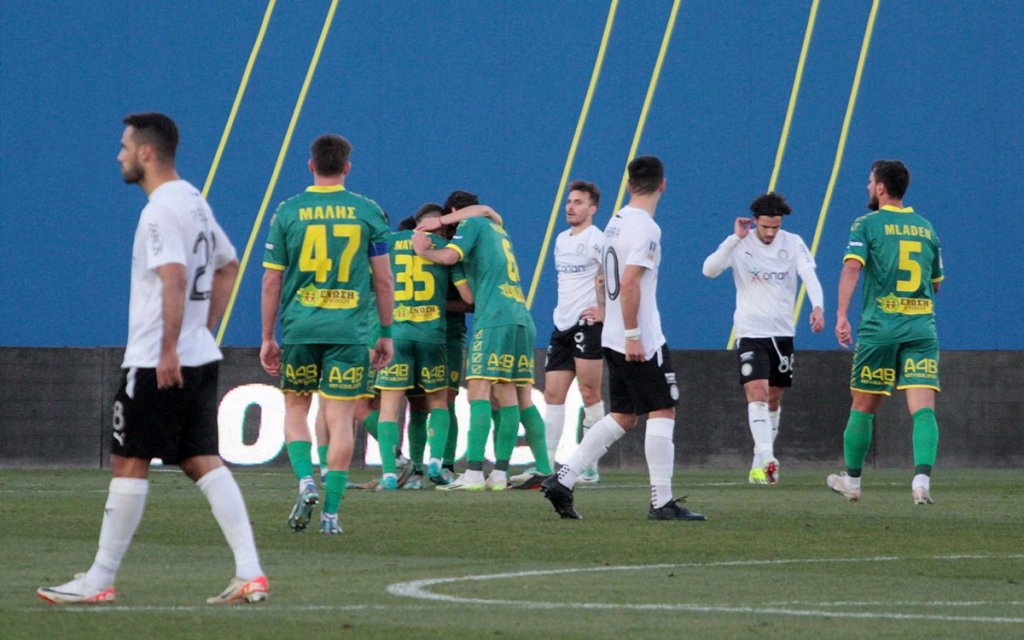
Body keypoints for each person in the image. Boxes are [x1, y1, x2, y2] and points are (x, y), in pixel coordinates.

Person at [38, 112, 267, 605]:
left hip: (156, 360)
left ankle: (99, 579)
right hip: (199, 356)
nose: (119, 155)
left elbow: (174, 277)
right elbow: (229, 266)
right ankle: (250, 572)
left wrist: (168, 348)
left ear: (146, 152)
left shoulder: (160, 210)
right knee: (201, 460)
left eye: (125, 147)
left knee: (129, 460)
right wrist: (201, 331)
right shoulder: (194, 201)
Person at [541, 155, 705, 521]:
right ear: (663, 185)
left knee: (624, 415)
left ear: (629, 185)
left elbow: (604, 278)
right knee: (663, 409)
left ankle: (563, 479)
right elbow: (629, 283)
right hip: (638, 337)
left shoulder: (615, 223)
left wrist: (607, 313)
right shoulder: (646, 228)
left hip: (611, 336)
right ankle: (661, 502)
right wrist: (633, 334)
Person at [260, 134, 393, 534]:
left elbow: (271, 280)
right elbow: (383, 280)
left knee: (296, 408)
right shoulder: (367, 211)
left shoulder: (288, 211)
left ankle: (305, 480)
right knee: (340, 418)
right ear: (347, 167)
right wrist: (385, 332)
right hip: (350, 331)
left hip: (301, 328)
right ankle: (331, 514)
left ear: (310, 165)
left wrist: (268, 337)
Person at [412, 191, 553, 490]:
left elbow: (453, 261)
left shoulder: (470, 226)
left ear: (454, 211)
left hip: (495, 318)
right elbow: (489, 210)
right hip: (520, 316)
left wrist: (424, 252)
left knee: (478, 389)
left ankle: (474, 472)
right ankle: (518, 471)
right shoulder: (497, 228)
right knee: (515, 394)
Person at [827, 160, 943, 505]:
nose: (867, 186)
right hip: (921, 329)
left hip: (880, 328)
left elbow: (852, 267)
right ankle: (921, 481)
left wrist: (841, 315)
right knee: (923, 409)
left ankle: (852, 482)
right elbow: (935, 284)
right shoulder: (926, 228)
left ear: (880, 188)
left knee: (863, 405)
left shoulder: (867, 224)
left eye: (869, 181)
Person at [701, 192, 825, 484]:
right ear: (755, 221)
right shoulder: (740, 243)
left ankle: (759, 464)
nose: (770, 232)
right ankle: (769, 458)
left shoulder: (792, 242)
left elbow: (809, 275)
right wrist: (734, 238)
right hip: (751, 332)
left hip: (782, 333)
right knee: (756, 392)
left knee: (773, 399)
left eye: (775, 227)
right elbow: (709, 270)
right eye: (766, 226)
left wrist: (818, 306)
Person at [374, 204, 472, 489]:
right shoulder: (446, 249)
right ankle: (436, 462)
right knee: (439, 402)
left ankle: (390, 474)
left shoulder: (389, 242)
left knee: (390, 408)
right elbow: (468, 298)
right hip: (433, 336)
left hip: (397, 334)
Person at [528, 180, 606, 485]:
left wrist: (605, 312)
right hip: (562, 325)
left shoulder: (598, 240)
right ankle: (546, 464)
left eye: (578, 202)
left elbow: (614, 276)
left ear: (592, 209)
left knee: (590, 393)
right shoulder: (561, 239)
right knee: (552, 394)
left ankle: (590, 464)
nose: (571, 207)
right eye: (569, 202)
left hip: (587, 325)